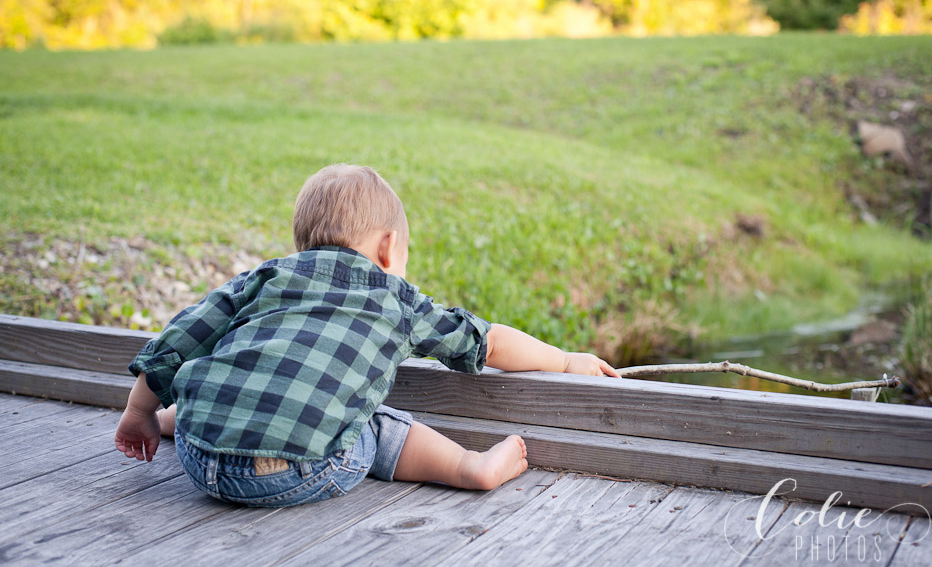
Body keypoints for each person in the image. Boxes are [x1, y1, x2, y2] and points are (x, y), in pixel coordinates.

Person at [114, 164, 619, 507]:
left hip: (197, 457)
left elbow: (182, 337)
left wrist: (138, 414)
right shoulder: (395, 299)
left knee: (245, 371)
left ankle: (169, 420)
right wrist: (568, 361)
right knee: (367, 422)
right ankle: (469, 468)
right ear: (387, 247)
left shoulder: (268, 277)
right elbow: (486, 343)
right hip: (291, 474)